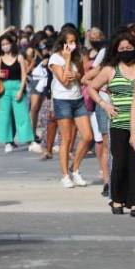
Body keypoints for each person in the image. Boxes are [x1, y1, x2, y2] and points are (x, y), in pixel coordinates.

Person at [88, 32, 135, 215]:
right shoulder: (110, 69)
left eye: (129, 48)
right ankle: (117, 200)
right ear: (116, 51)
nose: (126, 51)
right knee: (120, 162)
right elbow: (91, 87)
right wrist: (104, 104)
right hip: (118, 123)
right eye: (122, 49)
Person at [49, 28, 93, 188]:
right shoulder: (55, 58)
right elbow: (64, 81)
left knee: (88, 136)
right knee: (67, 139)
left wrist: (78, 76)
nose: (73, 44)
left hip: (78, 99)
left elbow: (81, 77)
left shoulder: (77, 57)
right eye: (70, 42)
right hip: (63, 101)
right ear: (63, 42)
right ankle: (65, 175)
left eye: (75, 41)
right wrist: (67, 60)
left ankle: (75, 169)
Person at [0, 33, 33, 153]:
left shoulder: (19, 57)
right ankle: (8, 142)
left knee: (22, 115)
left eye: (7, 44)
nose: (5, 46)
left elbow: (24, 75)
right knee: (4, 116)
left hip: (17, 87)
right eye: (2, 44)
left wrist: (20, 91)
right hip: (4, 89)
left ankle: (29, 140)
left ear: (11, 44)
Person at [82, 28, 111, 196]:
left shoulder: (132, 68)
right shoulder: (104, 67)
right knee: (105, 144)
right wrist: (101, 89)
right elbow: (85, 79)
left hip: (123, 108)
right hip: (103, 107)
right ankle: (107, 181)